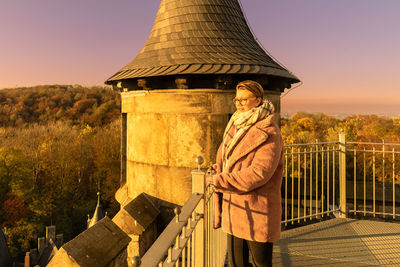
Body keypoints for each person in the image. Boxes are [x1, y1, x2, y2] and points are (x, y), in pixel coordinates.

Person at [206, 80, 283, 267]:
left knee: (261, 263)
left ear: (257, 100)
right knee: (236, 263)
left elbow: (259, 173)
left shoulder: (269, 132)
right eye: (237, 99)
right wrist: (218, 170)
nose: (239, 104)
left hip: (257, 209)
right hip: (234, 208)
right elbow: (227, 159)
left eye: (244, 99)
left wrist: (219, 180)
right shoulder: (235, 125)